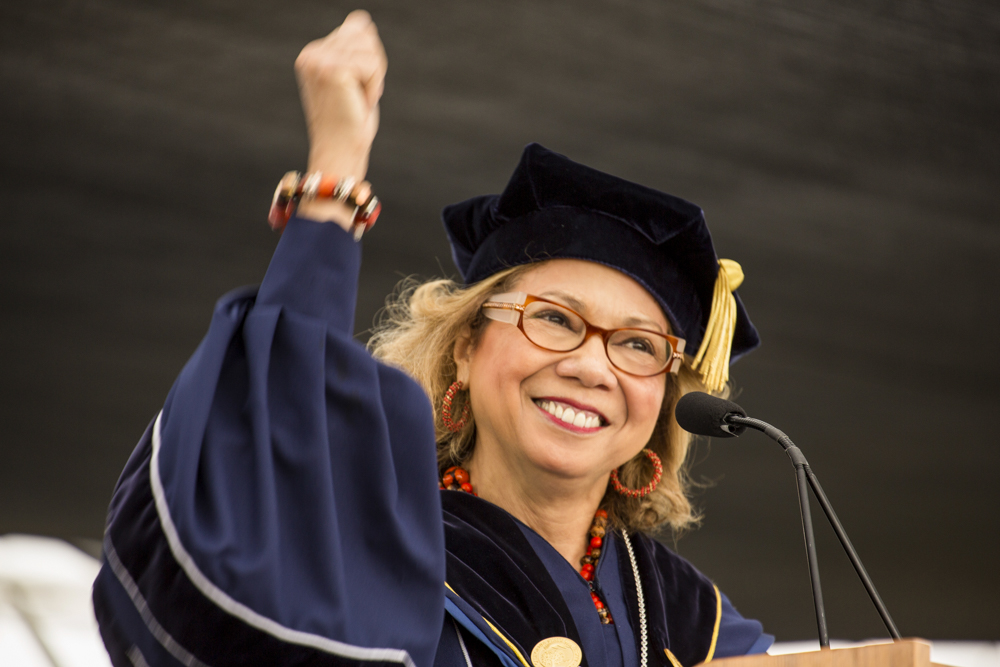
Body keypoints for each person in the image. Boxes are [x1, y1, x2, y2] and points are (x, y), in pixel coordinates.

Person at [92, 11, 773, 667]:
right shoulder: (371, 557)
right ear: (466, 349)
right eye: (556, 319)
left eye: (637, 345)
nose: (592, 365)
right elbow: (261, 492)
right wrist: (335, 176)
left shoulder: (698, 626)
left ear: (665, 396)